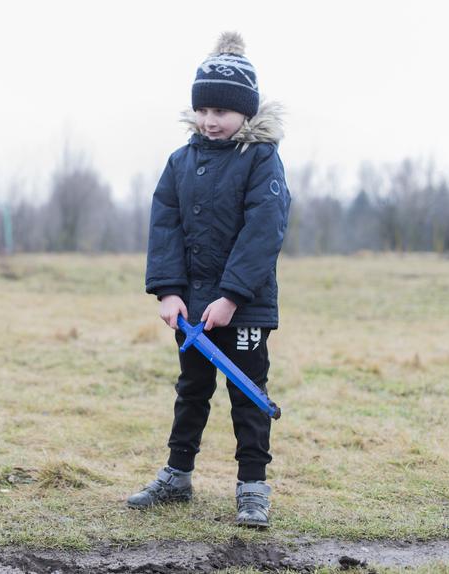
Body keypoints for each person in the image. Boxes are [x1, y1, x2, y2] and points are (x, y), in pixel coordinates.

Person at [127, 32, 291, 528]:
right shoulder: (180, 163)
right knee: (191, 390)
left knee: (248, 394)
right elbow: (165, 227)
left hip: (245, 307)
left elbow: (265, 229)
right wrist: (168, 290)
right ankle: (177, 475)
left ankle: (252, 488)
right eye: (203, 109)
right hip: (192, 310)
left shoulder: (262, 160)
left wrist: (232, 297)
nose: (210, 120)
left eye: (222, 111)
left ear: (246, 112)